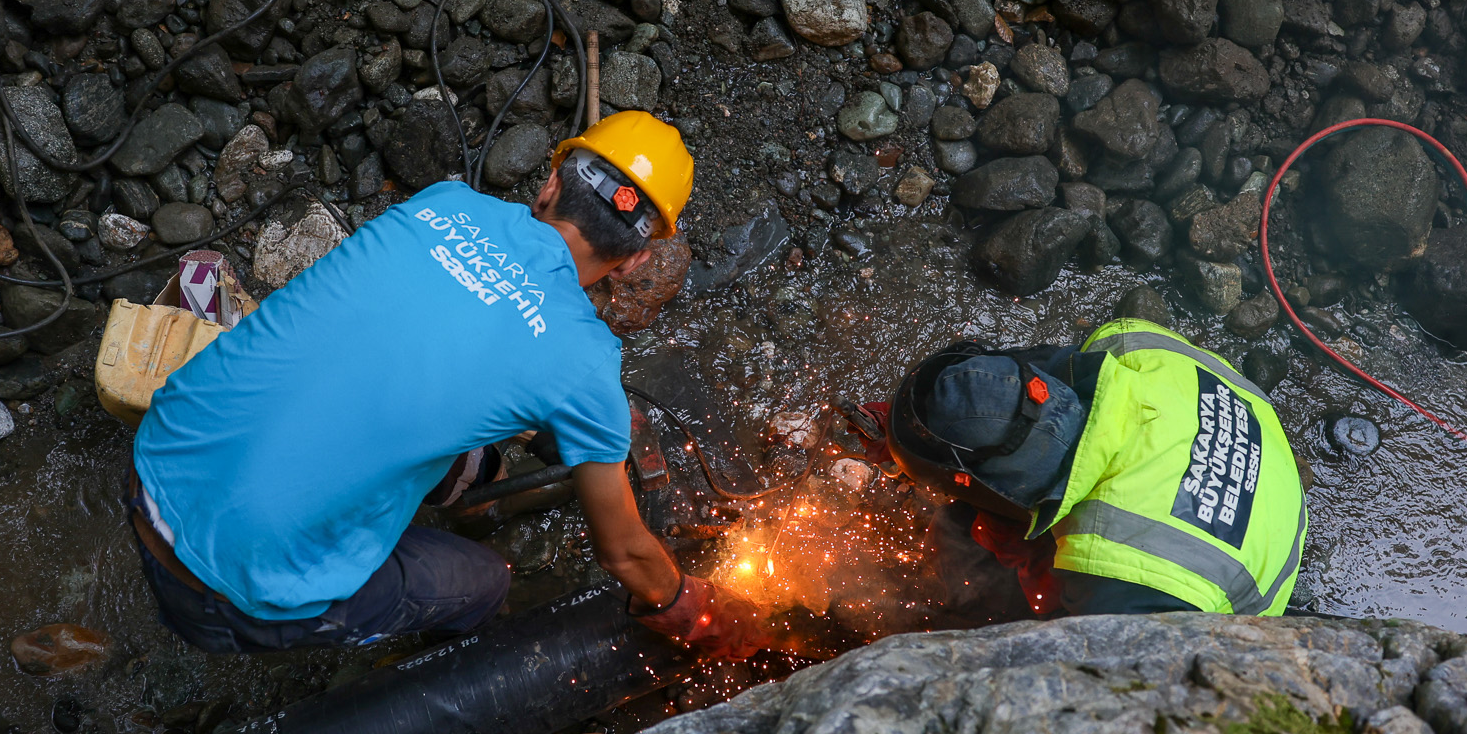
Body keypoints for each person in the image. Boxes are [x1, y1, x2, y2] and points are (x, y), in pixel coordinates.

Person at [125, 111, 762, 658]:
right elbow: (625, 556)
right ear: (638, 257)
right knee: (484, 581)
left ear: (549, 184)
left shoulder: (444, 204)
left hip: (154, 460)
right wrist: (693, 610)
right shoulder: (584, 364)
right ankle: (416, 656)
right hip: (219, 595)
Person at [883, 317, 1306, 622]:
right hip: (1270, 480)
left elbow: (1098, 669)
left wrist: (1032, 563)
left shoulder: (1115, 573)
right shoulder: (1130, 343)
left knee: (964, 538)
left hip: (1233, 604)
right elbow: (1034, 375)